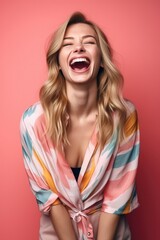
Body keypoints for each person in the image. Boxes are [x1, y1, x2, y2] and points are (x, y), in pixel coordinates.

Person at [20, 11, 140, 240]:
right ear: (58, 63)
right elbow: (50, 200)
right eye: (68, 44)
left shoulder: (125, 116)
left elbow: (117, 196)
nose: (79, 48)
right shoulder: (33, 122)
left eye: (89, 42)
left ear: (102, 61)